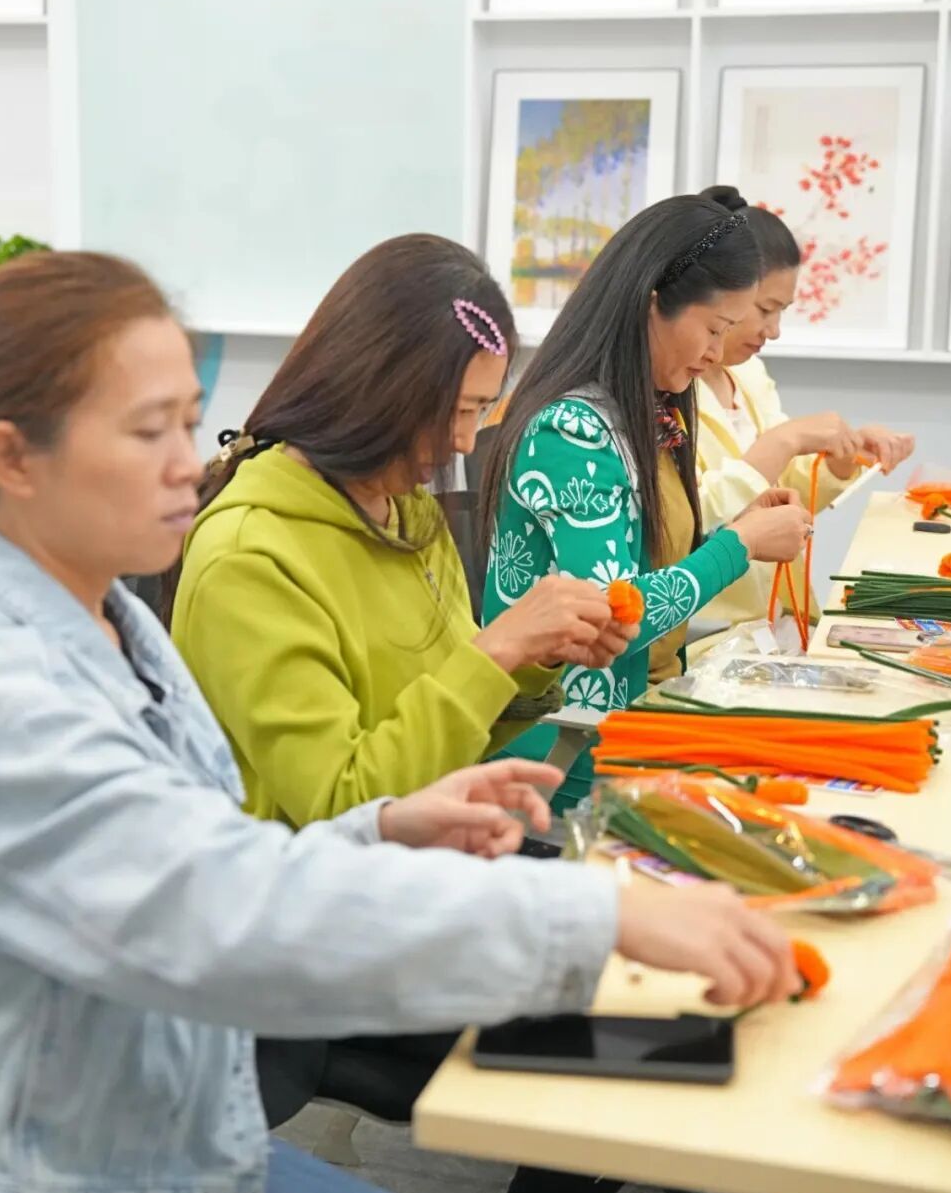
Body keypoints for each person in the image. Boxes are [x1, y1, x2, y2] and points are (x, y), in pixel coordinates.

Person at [0, 250, 800, 1193]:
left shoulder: (109, 624)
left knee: (683, 1047)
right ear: (14, 460)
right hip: (41, 1184)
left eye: (189, 423)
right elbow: (225, 901)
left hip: (151, 1119)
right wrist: (601, 912)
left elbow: (203, 856)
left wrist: (388, 825)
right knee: (642, 1056)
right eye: (150, 432)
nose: (189, 463)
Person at [171, 233, 635, 830]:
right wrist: (498, 649)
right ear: (378, 385)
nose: (464, 442)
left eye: (480, 411)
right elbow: (347, 807)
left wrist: (535, 653)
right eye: (456, 411)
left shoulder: (407, 514)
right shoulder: (247, 559)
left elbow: (448, 737)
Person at [478, 193, 811, 810]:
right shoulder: (572, 431)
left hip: (632, 718)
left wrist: (733, 532)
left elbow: (643, 564)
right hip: (564, 746)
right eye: (714, 329)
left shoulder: (649, 413)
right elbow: (614, 619)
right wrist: (737, 547)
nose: (716, 353)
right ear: (652, 302)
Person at [693, 186, 915, 632]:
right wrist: (785, 440)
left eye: (782, 312)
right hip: (706, 629)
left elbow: (784, 490)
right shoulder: (667, 386)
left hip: (773, 619)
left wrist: (839, 459)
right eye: (764, 309)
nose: (773, 330)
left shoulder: (748, 373)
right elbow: (684, 520)